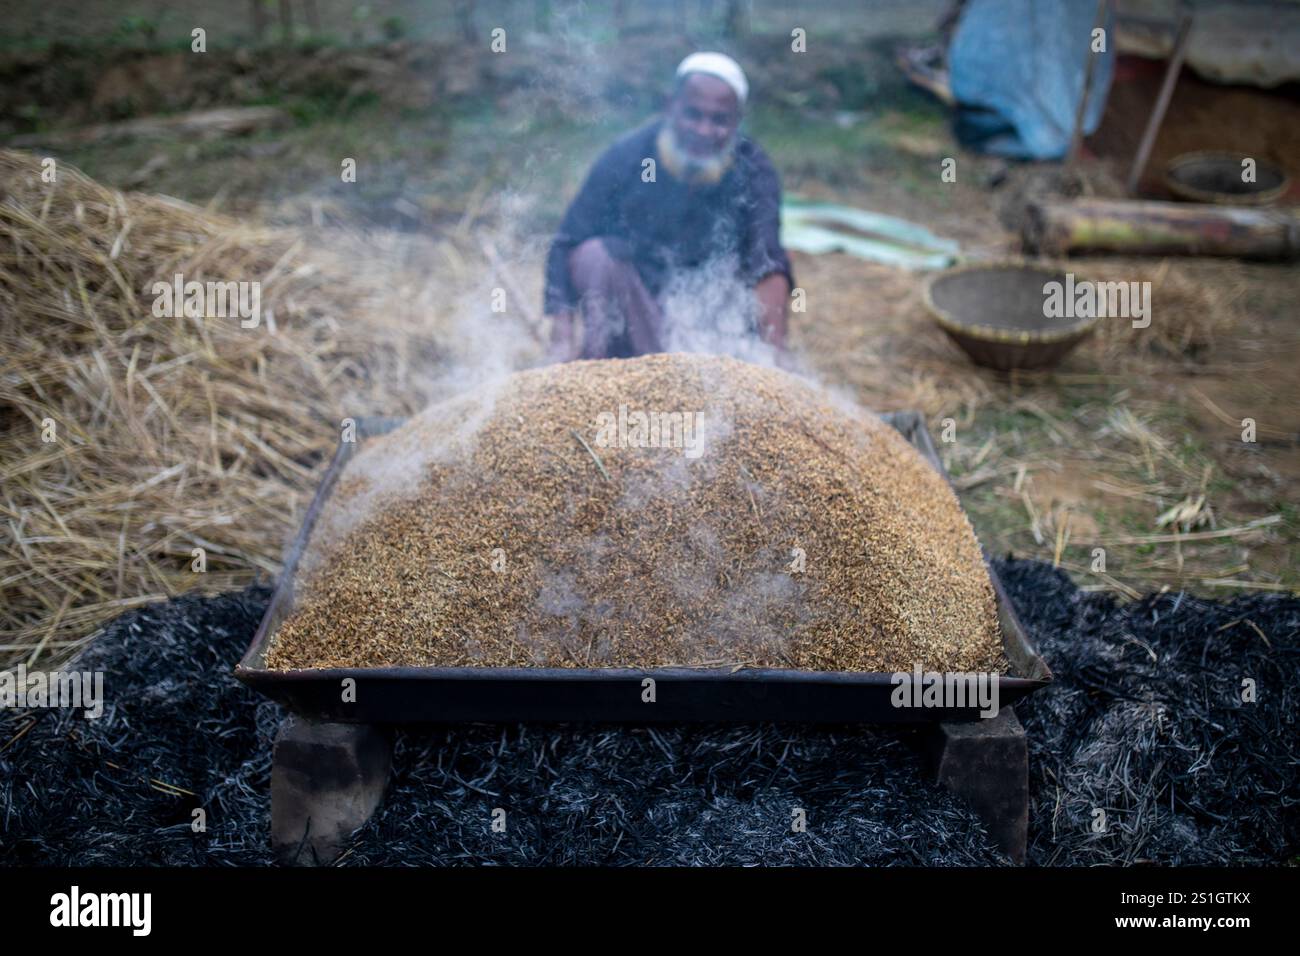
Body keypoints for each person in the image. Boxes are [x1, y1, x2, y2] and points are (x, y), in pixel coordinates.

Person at [543, 52, 793, 363]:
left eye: (719, 120)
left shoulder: (753, 169)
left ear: (736, 121)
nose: (703, 130)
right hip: (636, 320)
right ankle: (599, 369)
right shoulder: (628, 156)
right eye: (693, 114)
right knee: (594, 255)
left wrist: (776, 366)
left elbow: (767, 264)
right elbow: (567, 242)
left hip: (715, 330)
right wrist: (561, 339)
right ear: (670, 106)